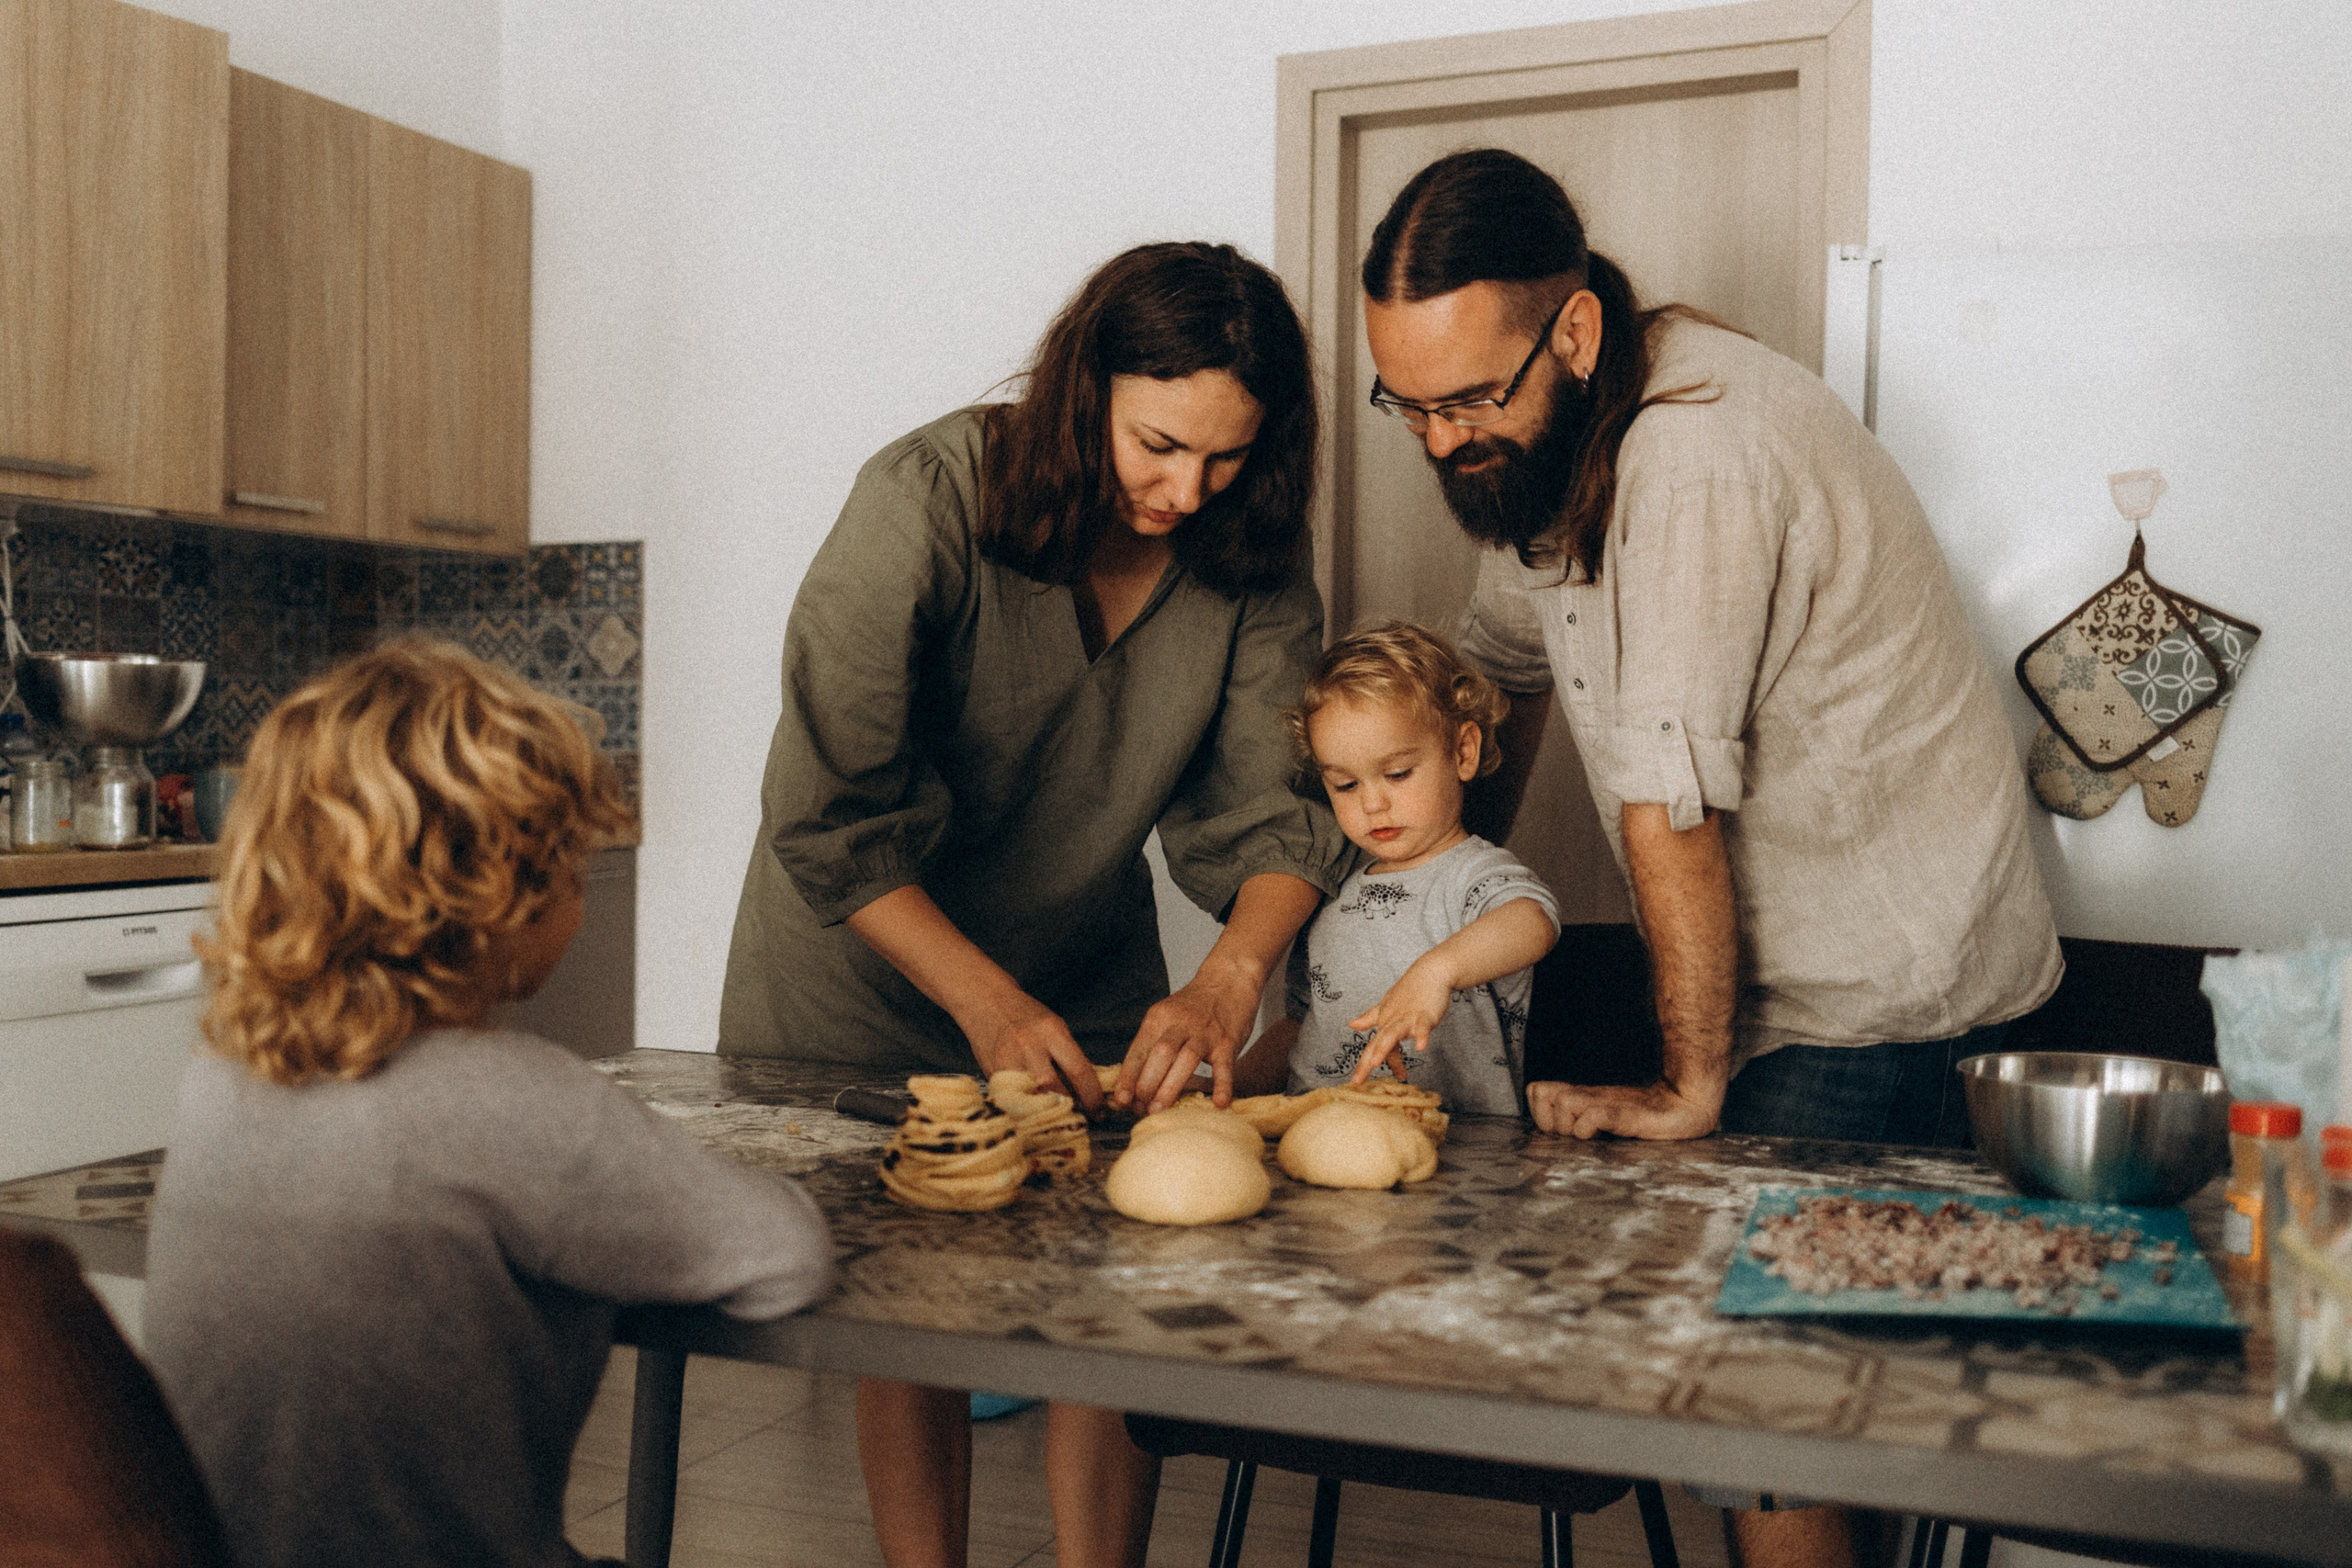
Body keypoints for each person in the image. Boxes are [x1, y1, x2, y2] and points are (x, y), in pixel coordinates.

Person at [1357, 149, 2062, 1568]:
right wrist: (1421, 910)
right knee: (1772, 1417)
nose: (1439, 442)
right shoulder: (1541, 451)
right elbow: (1490, 679)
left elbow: (1666, 804)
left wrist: (1690, 1083)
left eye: (1468, 398)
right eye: (1409, 404)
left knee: (1763, 1414)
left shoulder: (1692, 448)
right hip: (1793, 975)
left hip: (1887, 997)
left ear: (1573, 331)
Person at [718, 242, 1354, 1568]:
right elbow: (831, 811)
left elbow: (1278, 813)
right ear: (1085, 389)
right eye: (1160, 443)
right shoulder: (923, 499)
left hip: (1082, 950)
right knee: (915, 1301)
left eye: (1229, 456)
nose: (1189, 489)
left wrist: (1231, 978)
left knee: (1115, 1289)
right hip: (868, 955)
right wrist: (985, 1004)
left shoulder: (1245, 549)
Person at [143, 640, 836, 1568]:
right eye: (572, 860)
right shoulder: (522, 1102)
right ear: (503, 887)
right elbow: (785, 1261)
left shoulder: (221, 1081)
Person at [1234, 622, 1558, 1116]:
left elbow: (1533, 922)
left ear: (1462, 752)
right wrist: (1232, 1085)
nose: (1373, 803)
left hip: (1458, 1151)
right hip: (1318, 1132)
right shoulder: (1332, 890)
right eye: (1345, 785)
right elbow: (1302, 1025)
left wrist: (1437, 971)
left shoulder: (1471, 875)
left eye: (1398, 773)